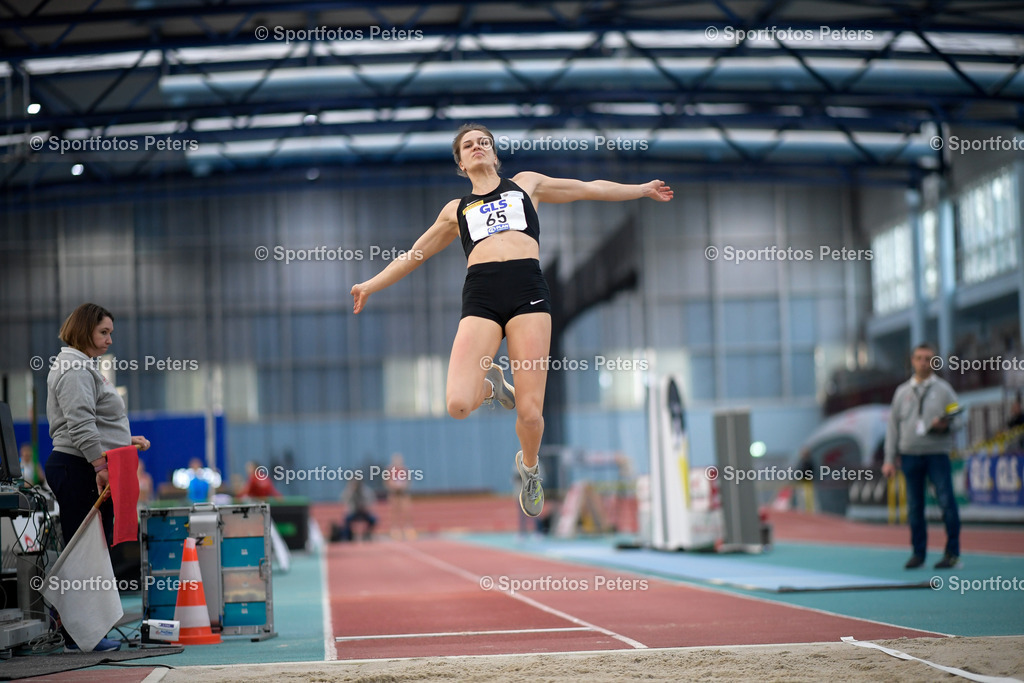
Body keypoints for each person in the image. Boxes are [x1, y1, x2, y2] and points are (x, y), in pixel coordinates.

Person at [351, 123, 673, 518]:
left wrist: (640, 190)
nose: (478, 147)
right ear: (461, 162)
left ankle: (530, 467)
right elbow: (415, 255)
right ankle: (493, 387)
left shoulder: (527, 185)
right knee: (457, 404)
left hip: (528, 292)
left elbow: (589, 187)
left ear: (494, 153)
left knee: (531, 412)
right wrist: (370, 284)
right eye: (469, 145)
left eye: (484, 142)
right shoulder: (456, 210)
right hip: (482, 296)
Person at [44, 303, 151, 652]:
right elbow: (80, 424)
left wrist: (123, 441)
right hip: (78, 468)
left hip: (81, 465)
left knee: (92, 549)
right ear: (84, 329)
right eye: (103, 332)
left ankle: (82, 631)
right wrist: (100, 467)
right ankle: (78, 636)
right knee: (85, 553)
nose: (108, 340)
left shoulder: (84, 366)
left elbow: (92, 422)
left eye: (110, 333)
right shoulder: (75, 368)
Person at [882, 343, 961, 570]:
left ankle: (952, 554)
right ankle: (918, 553)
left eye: (928, 358)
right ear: (912, 360)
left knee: (946, 501)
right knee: (915, 507)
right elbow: (892, 428)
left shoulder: (945, 391)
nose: (924, 362)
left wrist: (945, 425)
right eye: (919, 358)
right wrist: (889, 459)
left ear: (934, 362)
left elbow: (960, 419)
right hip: (910, 455)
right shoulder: (902, 392)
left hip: (937, 454)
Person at [384, 453, 414, 540]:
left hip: (403, 493)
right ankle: (395, 529)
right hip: (394, 493)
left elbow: (408, 481)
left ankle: (408, 528)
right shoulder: (390, 470)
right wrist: (393, 486)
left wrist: (403, 486)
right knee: (394, 511)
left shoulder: (404, 470)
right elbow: (387, 481)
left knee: (406, 510)